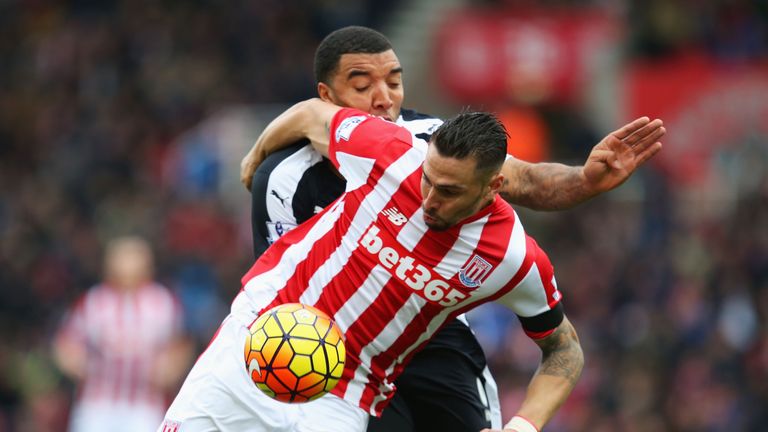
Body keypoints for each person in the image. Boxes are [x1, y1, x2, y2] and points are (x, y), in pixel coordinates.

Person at [239, 26, 665, 432]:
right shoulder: (284, 180)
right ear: (328, 96)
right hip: (340, 353)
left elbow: (528, 181)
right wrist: (257, 155)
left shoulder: (429, 143)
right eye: (362, 84)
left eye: (394, 81)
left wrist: (585, 180)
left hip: (435, 340)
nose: (384, 98)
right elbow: (285, 296)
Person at [53, 236, 192, 432]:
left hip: (145, 404)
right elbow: (67, 343)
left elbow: (180, 345)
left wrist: (168, 370)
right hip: (97, 403)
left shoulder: (162, 302)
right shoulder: (94, 301)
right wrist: (81, 364)